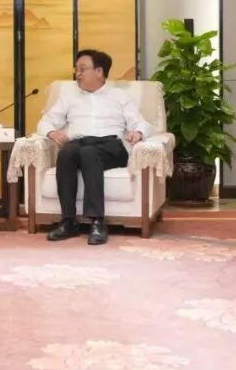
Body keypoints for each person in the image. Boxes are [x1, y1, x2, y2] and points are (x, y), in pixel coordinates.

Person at [35, 49, 152, 245]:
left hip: (111, 146)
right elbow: (46, 122)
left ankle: (97, 222)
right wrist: (52, 133)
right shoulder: (69, 97)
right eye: (76, 69)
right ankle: (68, 221)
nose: (77, 74)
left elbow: (142, 123)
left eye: (82, 69)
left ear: (99, 71)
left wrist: (138, 132)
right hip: (79, 143)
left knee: (89, 153)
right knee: (67, 153)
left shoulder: (119, 96)